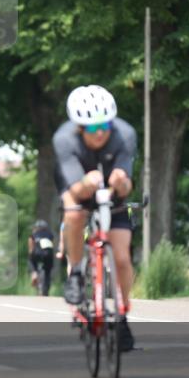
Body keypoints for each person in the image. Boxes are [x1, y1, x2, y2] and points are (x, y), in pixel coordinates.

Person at [55, 85, 137, 352]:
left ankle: (122, 317)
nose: (99, 131)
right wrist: (86, 184)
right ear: (79, 128)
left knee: (122, 258)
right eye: (91, 128)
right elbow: (74, 190)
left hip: (113, 193)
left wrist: (121, 182)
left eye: (104, 125)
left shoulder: (124, 135)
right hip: (79, 187)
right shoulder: (65, 139)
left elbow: (127, 188)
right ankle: (77, 273)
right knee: (74, 214)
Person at [28, 219, 56, 296]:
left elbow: (31, 246)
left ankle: (34, 273)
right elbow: (52, 245)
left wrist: (31, 253)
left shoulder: (34, 234)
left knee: (31, 260)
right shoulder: (50, 234)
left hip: (37, 253)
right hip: (48, 254)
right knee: (48, 270)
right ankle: (46, 288)